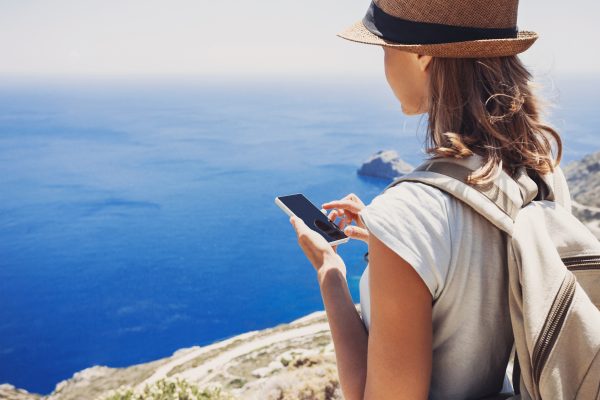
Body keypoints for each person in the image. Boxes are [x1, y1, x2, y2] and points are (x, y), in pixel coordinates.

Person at [288, 0, 563, 399]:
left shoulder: (409, 215)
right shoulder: (540, 172)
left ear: (422, 55)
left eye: (383, 48)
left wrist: (329, 271)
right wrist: (391, 242)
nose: (382, 65)